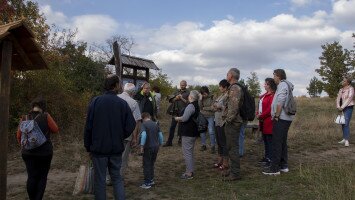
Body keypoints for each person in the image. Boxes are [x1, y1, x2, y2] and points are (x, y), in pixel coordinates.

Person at [84, 75, 136, 199]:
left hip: (98, 148)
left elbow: (88, 127)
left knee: (100, 180)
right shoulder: (122, 103)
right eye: (119, 84)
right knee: (117, 179)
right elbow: (131, 125)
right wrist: (120, 136)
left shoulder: (95, 102)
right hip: (116, 148)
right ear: (116, 85)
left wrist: (88, 146)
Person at [16, 97, 59, 200]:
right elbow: (55, 129)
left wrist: (26, 147)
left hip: (28, 153)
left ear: (33, 106)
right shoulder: (46, 116)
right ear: (43, 106)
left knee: (31, 177)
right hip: (44, 153)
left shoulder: (24, 118)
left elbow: (18, 136)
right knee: (42, 177)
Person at [263, 69, 295, 176]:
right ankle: (283, 166)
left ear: (278, 76)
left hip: (281, 118)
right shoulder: (287, 85)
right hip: (286, 118)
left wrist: (276, 115)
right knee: (282, 142)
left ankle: (274, 169)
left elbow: (281, 100)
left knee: (277, 142)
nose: (273, 78)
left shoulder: (282, 85)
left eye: (274, 76)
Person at [221, 68, 243, 181]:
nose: (226, 75)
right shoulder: (233, 88)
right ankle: (233, 170)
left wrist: (228, 120)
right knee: (230, 147)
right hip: (232, 122)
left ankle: (235, 173)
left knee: (233, 148)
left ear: (231, 76)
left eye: (227, 73)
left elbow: (234, 108)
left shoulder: (235, 88)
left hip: (233, 123)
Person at [117, 83, 142, 178]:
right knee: (123, 158)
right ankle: (118, 178)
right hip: (126, 135)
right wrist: (135, 138)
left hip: (112, 133)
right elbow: (136, 121)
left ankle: (108, 177)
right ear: (133, 92)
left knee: (111, 155)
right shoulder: (133, 103)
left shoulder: (115, 98)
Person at [175, 90, 200, 179]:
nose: (188, 96)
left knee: (187, 153)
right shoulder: (197, 105)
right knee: (190, 152)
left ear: (191, 97)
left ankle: (189, 173)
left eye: (189, 95)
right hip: (193, 132)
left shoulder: (191, 105)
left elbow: (185, 118)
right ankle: (190, 170)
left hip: (188, 132)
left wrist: (177, 118)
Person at [139, 112, 164, 189]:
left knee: (146, 164)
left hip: (148, 147)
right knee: (152, 163)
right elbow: (160, 135)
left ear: (143, 119)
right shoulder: (156, 124)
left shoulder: (144, 124)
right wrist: (160, 143)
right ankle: (152, 179)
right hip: (156, 147)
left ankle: (147, 183)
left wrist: (142, 146)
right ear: (149, 116)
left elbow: (143, 135)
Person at [256, 78, 277, 166]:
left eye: (266, 84)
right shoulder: (264, 95)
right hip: (263, 121)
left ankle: (270, 159)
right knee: (265, 140)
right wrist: (257, 113)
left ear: (270, 85)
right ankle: (267, 157)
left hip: (269, 121)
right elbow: (260, 106)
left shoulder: (273, 95)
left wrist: (261, 115)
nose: (264, 85)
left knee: (269, 141)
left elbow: (270, 109)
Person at [164, 80, 190, 146]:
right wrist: (176, 98)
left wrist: (181, 98)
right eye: (181, 85)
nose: (182, 86)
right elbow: (171, 100)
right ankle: (169, 142)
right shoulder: (176, 92)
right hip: (175, 112)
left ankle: (180, 141)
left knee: (181, 127)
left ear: (186, 85)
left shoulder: (188, 93)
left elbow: (189, 103)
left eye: (183, 85)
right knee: (172, 127)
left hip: (183, 112)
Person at [212, 79, 230, 170]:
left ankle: (226, 162)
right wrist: (215, 107)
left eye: (220, 86)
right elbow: (214, 105)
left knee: (223, 142)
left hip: (223, 122)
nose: (219, 88)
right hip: (217, 120)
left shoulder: (228, 95)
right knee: (218, 141)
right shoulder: (221, 95)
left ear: (225, 87)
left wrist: (219, 106)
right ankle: (220, 160)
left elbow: (228, 108)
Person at [336, 76, 354, 147]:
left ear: (348, 82)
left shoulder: (351, 88)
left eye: (344, 81)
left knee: (346, 123)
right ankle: (344, 138)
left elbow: (350, 98)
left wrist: (342, 107)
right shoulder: (341, 89)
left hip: (348, 107)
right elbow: (338, 98)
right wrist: (338, 106)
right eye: (343, 81)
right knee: (343, 123)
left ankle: (347, 140)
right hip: (341, 108)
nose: (342, 82)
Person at [199, 86, 216, 153]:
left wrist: (204, 108)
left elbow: (213, 108)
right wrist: (200, 100)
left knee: (211, 131)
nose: (204, 95)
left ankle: (213, 146)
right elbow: (200, 107)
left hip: (210, 116)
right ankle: (203, 145)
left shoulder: (212, 97)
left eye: (204, 94)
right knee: (202, 130)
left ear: (207, 92)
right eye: (202, 94)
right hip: (202, 115)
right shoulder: (201, 98)